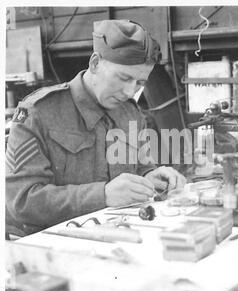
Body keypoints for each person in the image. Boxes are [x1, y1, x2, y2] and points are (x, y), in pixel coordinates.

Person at [6, 19, 186, 236]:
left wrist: (152, 177)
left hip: (117, 235)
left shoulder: (131, 113)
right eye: (123, 77)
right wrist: (103, 195)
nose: (130, 91)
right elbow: (22, 201)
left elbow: (140, 168)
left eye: (139, 83)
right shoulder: (38, 113)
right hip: (52, 244)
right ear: (95, 63)